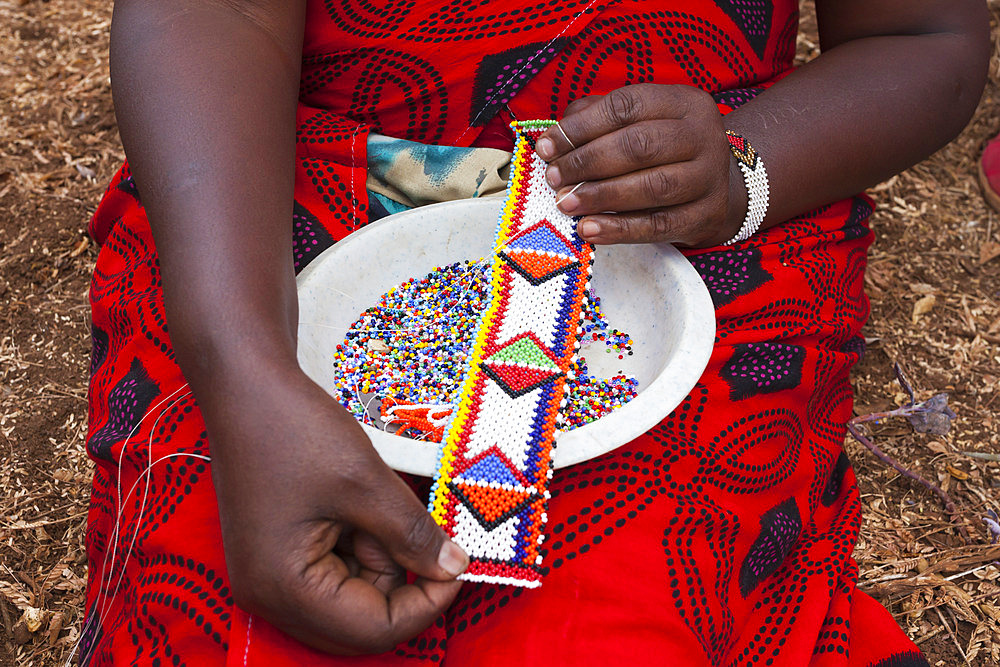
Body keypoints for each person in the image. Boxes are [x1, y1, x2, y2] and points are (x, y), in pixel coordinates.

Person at [79, 0, 989, 664]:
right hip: (270, 198)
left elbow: (923, 42)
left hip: (684, 209)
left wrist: (742, 170)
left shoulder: (711, 185)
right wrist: (243, 366)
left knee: (624, 621)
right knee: (227, 621)